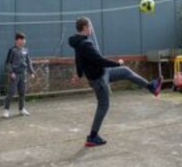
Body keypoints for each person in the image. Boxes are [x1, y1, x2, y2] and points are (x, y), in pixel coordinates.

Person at [69, 17, 161, 147]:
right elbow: (100, 60)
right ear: (85, 27)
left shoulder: (79, 42)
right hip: (99, 79)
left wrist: (78, 75)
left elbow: (78, 60)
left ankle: (151, 87)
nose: (92, 29)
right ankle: (92, 137)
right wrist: (117, 63)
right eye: (90, 26)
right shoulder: (85, 44)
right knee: (103, 106)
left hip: (103, 73)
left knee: (126, 71)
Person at [3, 32, 35, 118]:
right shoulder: (12, 50)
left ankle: (22, 109)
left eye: (24, 39)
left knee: (22, 92)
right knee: (11, 92)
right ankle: (6, 110)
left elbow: (28, 62)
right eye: (22, 39)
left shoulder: (25, 50)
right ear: (17, 40)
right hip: (15, 74)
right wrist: (11, 72)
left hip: (23, 74)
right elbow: (8, 63)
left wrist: (31, 72)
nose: (24, 41)